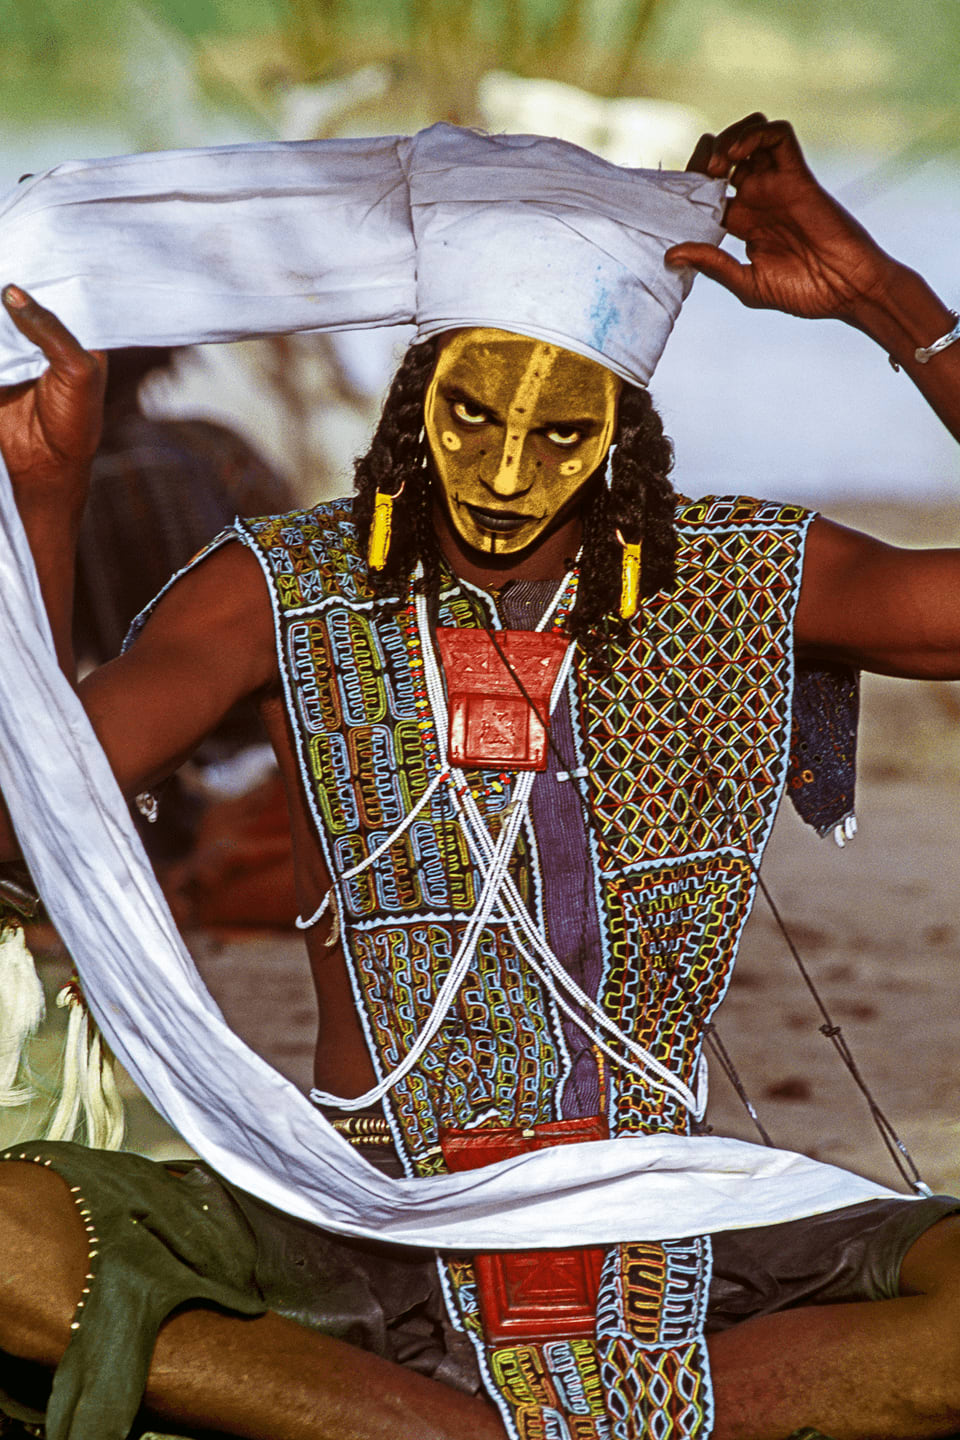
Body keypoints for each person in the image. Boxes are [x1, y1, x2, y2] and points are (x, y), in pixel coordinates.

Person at [0, 113, 959, 1440]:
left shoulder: (732, 570)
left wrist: (886, 302)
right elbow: (26, 822)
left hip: (661, 1203)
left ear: (624, 430)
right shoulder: (280, 587)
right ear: (414, 398)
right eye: (468, 414)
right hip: (358, 1218)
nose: (506, 475)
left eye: (562, 435)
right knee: (8, 1240)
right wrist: (45, 498)